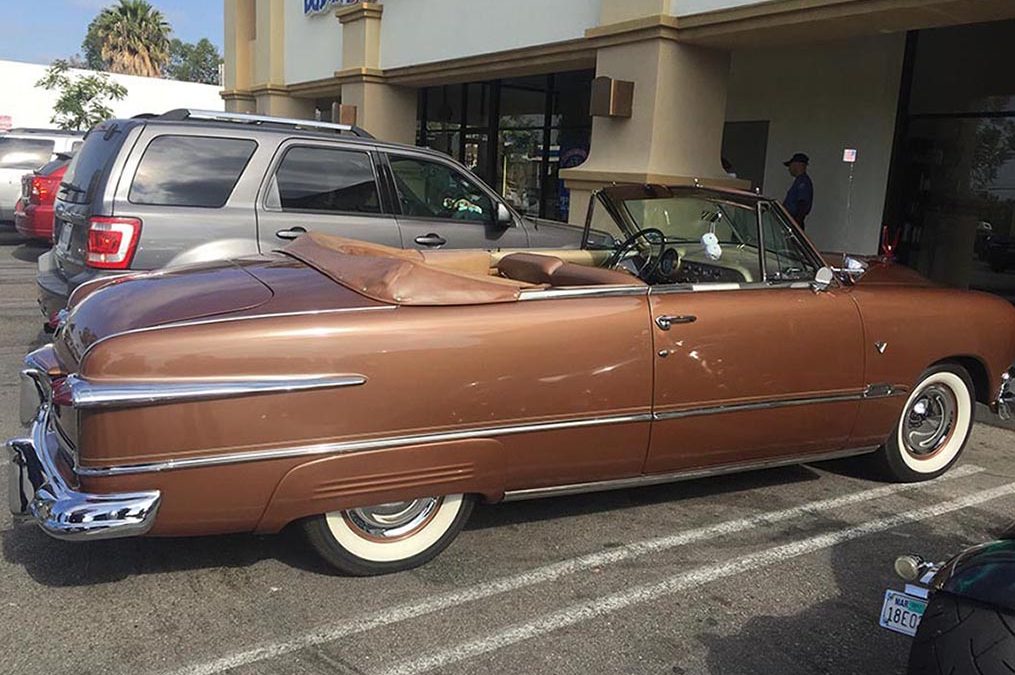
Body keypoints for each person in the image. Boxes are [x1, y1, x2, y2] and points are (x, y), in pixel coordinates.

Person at [782, 152, 813, 229]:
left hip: (794, 221)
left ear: (798, 165)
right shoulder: (799, 181)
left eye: (791, 165)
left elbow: (802, 203)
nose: (789, 169)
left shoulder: (803, 182)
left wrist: (796, 224)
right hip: (792, 220)